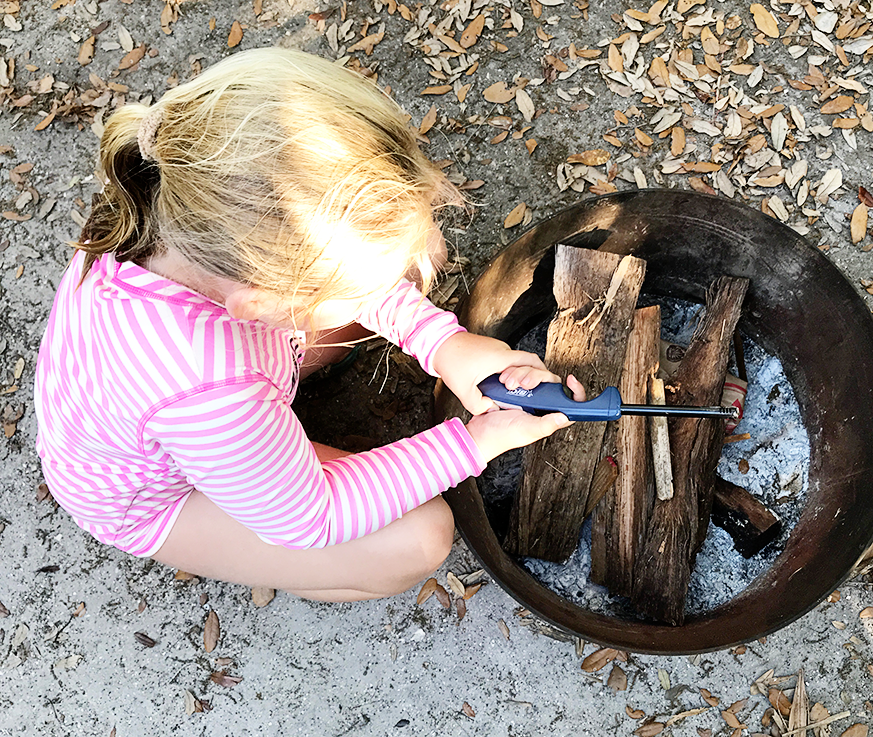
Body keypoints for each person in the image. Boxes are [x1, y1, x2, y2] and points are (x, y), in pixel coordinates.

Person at [34, 47, 582, 603]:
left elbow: (328, 267)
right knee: (421, 538)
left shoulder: (181, 199)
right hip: (160, 497)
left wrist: (446, 344)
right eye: (357, 289)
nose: (408, 276)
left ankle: (278, 420)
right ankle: (316, 574)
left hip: (197, 404)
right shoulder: (210, 394)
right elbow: (310, 517)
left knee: (397, 272)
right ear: (266, 305)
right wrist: (473, 441)